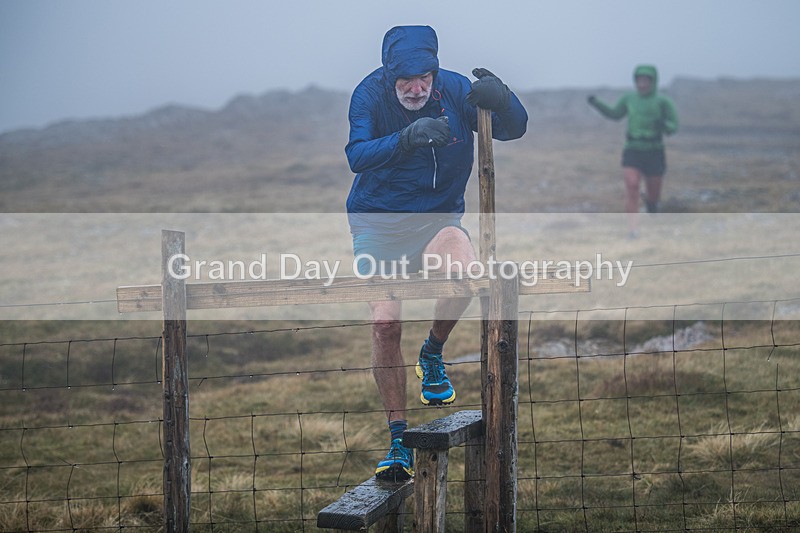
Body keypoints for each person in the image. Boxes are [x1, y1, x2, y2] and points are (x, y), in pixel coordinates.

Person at [344, 25, 528, 481]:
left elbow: (512, 130)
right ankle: (398, 441)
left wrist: (504, 99)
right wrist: (406, 138)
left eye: (423, 77)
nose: (416, 88)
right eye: (405, 80)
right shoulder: (368, 94)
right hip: (378, 224)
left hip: (438, 220)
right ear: (390, 75)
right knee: (385, 323)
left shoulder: (456, 89)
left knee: (466, 273)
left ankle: (432, 352)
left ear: (434, 70)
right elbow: (357, 155)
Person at [587, 65, 678, 236]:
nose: (642, 84)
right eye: (639, 80)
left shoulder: (663, 102)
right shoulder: (629, 99)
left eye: (646, 81)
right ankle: (632, 229)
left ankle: (652, 204)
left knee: (654, 191)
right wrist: (597, 103)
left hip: (654, 150)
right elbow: (615, 114)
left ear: (653, 82)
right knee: (632, 185)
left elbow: (673, 126)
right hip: (633, 149)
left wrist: (663, 125)